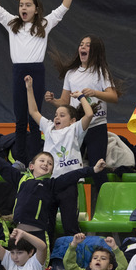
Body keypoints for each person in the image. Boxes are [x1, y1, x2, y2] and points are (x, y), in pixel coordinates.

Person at [0, 0, 78, 162]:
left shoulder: (44, 25)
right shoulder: (12, 24)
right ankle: (21, 160)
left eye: (28, 5)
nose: (23, 8)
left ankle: (35, 158)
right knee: (20, 119)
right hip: (19, 71)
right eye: (21, 5)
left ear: (36, 9)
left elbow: (63, 8)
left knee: (34, 117)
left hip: (36, 71)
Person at [51, 35, 120, 205]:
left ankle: (105, 210)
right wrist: (53, 100)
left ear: (94, 50)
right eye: (81, 44)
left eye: (87, 45)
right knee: (69, 167)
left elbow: (113, 96)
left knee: (99, 169)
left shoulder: (101, 72)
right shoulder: (71, 73)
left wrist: (95, 93)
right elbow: (65, 102)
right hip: (76, 128)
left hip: (97, 125)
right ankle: (68, 207)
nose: (83, 47)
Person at [27, 76, 94, 231]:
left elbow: (89, 115)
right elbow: (33, 111)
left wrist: (82, 97)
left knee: (69, 224)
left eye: (62, 115)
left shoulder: (75, 130)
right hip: (49, 183)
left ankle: (72, 253)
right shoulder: (49, 128)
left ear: (72, 121)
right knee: (47, 224)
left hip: (68, 184)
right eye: (56, 114)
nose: (57, 117)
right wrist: (29, 88)